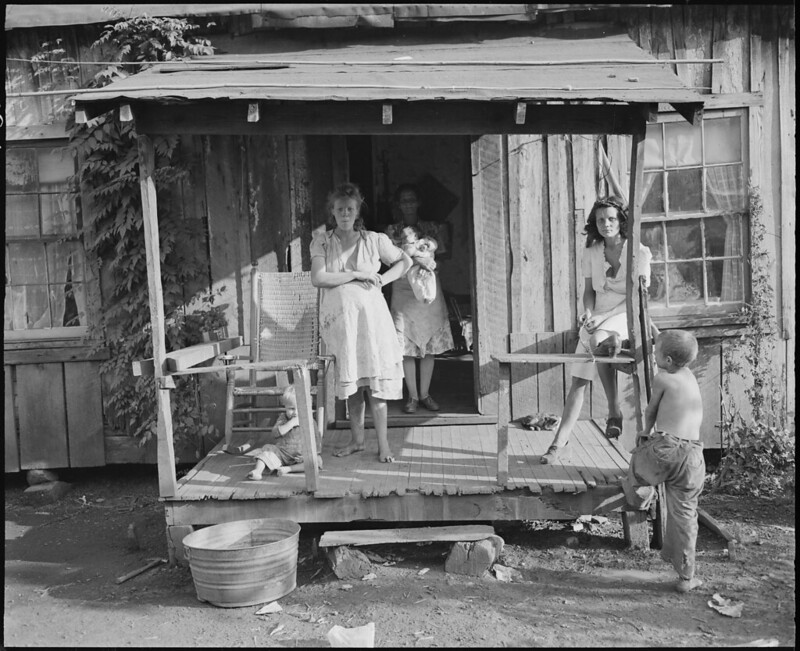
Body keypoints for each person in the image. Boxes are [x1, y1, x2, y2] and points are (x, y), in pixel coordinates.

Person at [541, 195, 653, 464]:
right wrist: (588, 312)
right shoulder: (592, 252)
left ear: (622, 221)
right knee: (578, 381)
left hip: (626, 313)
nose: (606, 224)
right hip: (599, 316)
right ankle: (559, 442)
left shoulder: (639, 252)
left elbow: (640, 297)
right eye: (601, 220)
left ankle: (614, 411)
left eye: (612, 218)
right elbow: (588, 292)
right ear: (595, 223)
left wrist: (602, 322)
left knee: (599, 340)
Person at [310, 182, 412, 463]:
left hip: (371, 321)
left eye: (350, 209)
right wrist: (356, 275)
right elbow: (319, 278)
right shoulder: (322, 241)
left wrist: (383, 279)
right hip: (342, 323)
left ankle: (384, 446)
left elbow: (404, 262)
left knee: (375, 382)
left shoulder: (374, 240)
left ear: (357, 212)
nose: (345, 214)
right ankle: (357, 441)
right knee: (353, 382)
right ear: (332, 211)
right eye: (340, 209)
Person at [620, 329, 705, 593]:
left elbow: (652, 409)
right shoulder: (689, 373)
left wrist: (646, 430)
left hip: (666, 448)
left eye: (655, 351)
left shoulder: (662, 379)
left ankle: (640, 491)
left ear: (667, 360)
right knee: (685, 513)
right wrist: (657, 332)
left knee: (638, 462)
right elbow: (672, 344)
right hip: (693, 456)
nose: (653, 354)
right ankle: (686, 576)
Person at [386, 183, 454, 414]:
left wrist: (432, 264)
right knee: (406, 346)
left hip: (428, 290)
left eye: (411, 199)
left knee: (429, 347)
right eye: (403, 200)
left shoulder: (431, 228)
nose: (408, 204)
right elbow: (389, 260)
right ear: (398, 204)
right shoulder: (392, 231)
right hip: (403, 291)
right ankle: (412, 397)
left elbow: (443, 256)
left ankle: (425, 394)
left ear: (418, 202)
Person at [244, 385, 322, 479]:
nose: (295, 413)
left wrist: (306, 456)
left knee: (317, 460)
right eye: (291, 409)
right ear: (285, 407)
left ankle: (288, 469)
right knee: (267, 450)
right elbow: (275, 433)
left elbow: (316, 443)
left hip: (301, 457)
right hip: (282, 453)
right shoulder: (283, 418)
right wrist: (291, 423)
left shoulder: (310, 421)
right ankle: (257, 471)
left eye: (300, 409)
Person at [400, 226, 438, 304]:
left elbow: (433, 246)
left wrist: (427, 245)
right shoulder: (405, 247)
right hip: (414, 267)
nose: (404, 239)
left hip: (427, 263)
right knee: (415, 280)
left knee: (430, 278)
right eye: (402, 238)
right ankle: (422, 296)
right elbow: (406, 255)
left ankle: (430, 295)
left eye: (406, 236)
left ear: (415, 236)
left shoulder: (422, 242)